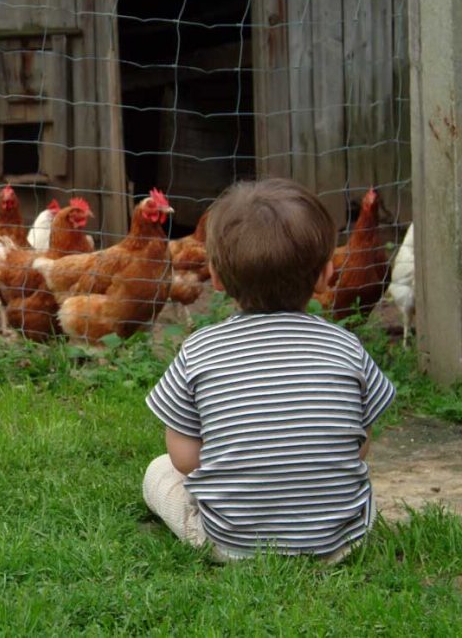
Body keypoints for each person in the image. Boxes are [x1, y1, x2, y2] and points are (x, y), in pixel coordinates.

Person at [143, 178, 395, 562]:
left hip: (229, 544)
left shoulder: (199, 350)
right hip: (338, 543)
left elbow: (184, 459)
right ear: (327, 274)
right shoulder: (347, 346)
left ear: (216, 277)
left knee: (159, 471)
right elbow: (360, 444)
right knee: (360, 482)